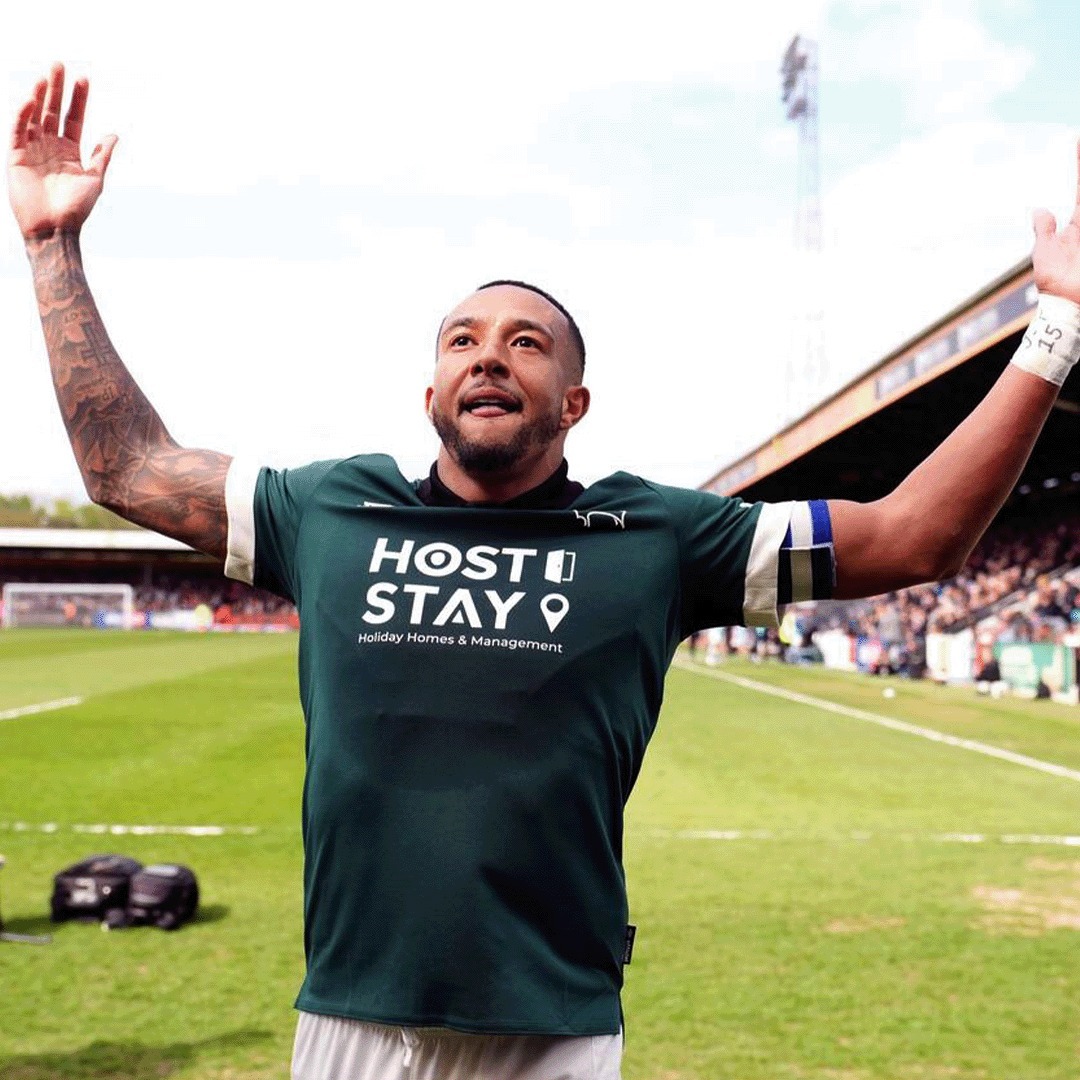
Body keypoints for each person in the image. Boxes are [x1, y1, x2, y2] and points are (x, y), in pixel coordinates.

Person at [8, 64, 1080, 1080]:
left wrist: (1055, 329)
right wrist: (53, 240)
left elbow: (911, 536)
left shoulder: (660, 535)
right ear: (430, 391)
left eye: (527, 343)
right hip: (348, 1013)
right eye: (462, 339)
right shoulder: (327, 509)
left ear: (571, 403)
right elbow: (127, 466)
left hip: (548, 1027)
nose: (488, 354)